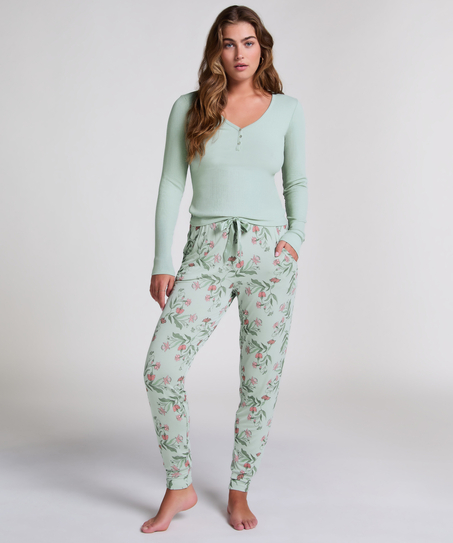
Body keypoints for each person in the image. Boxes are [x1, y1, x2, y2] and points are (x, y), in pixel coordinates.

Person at [141, 4, 308, 533]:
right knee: (161, 368)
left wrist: (294, 239)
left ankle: (239, 490)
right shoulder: (189, 107)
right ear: (217, 49)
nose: (239, 53)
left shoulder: (287, 110)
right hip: (206, 252)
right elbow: (172, 183)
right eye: (229, 42)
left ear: (262, 47)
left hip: (269, 256)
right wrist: (163, 259)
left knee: (260, 380)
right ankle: (180, 484)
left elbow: (296, 182)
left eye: (248, 42)